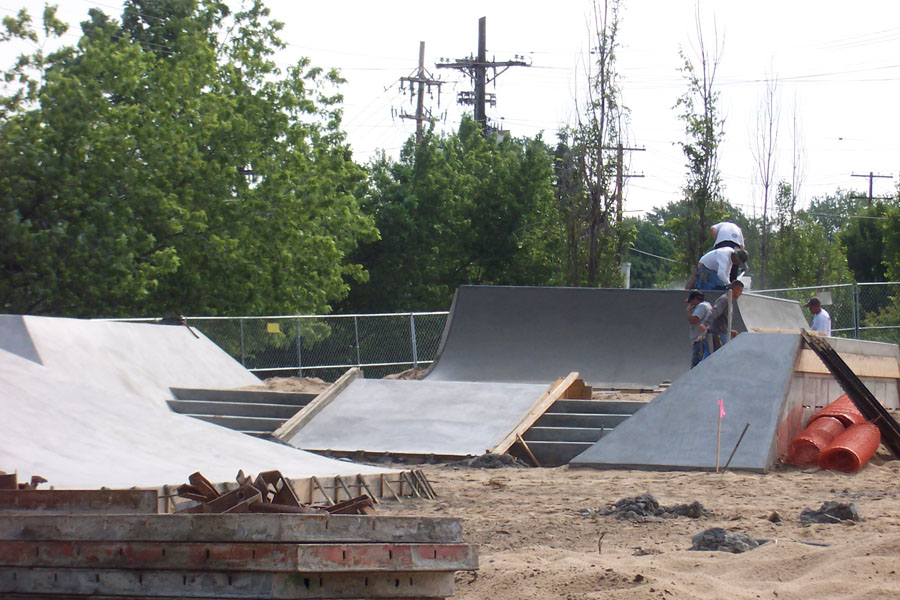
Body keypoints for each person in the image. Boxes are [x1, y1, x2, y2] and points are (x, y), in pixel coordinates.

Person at [698, 280, 744, 352]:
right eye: (740, 291)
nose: (741, 294)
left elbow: (722, 319)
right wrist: (705, 324)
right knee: (715, 356)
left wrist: (729, 330)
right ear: (735, 289)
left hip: (722, 332)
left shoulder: (729, 300)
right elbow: (715, 312)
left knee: (713, 356)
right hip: (717, 334)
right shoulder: (724, 300)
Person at [686, 290, 712, 368]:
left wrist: (688, 311)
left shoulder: (701, 306)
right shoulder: (707, 305)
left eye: (691, 301)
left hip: (700, 339)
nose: (691, 304)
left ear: (696, 299)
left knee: (696, 363)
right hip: (705, 337)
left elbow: (693, 320)